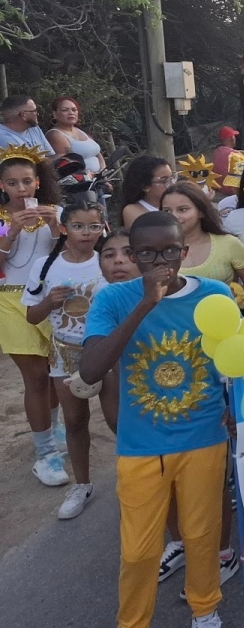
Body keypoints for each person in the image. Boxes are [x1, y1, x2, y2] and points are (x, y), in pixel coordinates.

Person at [80, 212, 235, 628]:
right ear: (133, 255)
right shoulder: (112, 298)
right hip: (141, 445)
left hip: (203, 438)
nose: (160, 261)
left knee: (203, 537)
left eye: (169, 251)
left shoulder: (216, 294)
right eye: (146, 253)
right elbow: (91, 370)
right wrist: (147, 303)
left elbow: (235, 361)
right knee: (139, 549)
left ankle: (205, 617)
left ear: (184, 252)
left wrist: (237, 410)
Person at [23, 199, 114, 519]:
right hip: (65, 354)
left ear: (103, 228)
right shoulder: (46, 265)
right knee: (75, 422)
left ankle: (135, 475)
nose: (86, 233)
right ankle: (82, 484)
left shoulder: (110, 261)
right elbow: (32, 317)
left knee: (119, 421)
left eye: (94, 226)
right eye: (77, 226)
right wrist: (49, 301)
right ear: (63, 228)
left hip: (108, 352)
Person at [0, 146, 65, 485]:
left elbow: (67, 255)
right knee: (36, 377)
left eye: (26, 181)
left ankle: (53, 431)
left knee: (54, 373)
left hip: (49, 300)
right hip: (10, 302)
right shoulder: (0, 220)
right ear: (2, 186)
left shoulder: (54, 213)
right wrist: (9, 233)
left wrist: (57, 226)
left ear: (38, 182)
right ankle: (45, 454)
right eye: (12, 183)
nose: (21, 189)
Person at [160, 181, 244, 297]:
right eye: (167, 211)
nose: (174, 216)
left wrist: (232, 299)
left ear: (201, 212)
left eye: (183, 209)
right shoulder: (154, 249)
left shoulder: (228, 243)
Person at [46, 96, 106, 174]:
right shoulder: (55, 134)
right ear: (55, 114)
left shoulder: (81, 131)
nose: (71, 113)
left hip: (99, 180)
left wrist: (103, 173)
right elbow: (68, 164)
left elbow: (98, 154)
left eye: (74, 110)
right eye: (65, 110)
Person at [120, 156, 173, 228]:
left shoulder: (176, 201)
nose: (172, 184)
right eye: (164, 181)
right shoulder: (132, 210)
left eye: (172, 178)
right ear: (145, 186)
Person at [211, 127, 239, 197]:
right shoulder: (235, 154)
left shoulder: (216, 151)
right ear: (232, 139)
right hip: (231, 190)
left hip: (219, 187)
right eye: (234, 136)